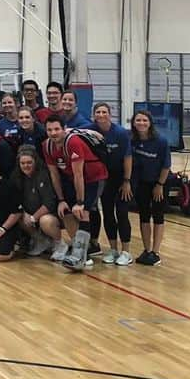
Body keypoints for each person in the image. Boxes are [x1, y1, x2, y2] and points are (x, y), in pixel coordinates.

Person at [43, 115, 107, 270]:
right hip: (72, 178)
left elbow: (79, 174)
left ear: (64, 129)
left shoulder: (73, 142)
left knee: (84, 212)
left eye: (57, 129)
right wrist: (61, 199)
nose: (53, 133)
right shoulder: (46, 146)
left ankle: (81, 257)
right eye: (50, 130)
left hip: (94, 177)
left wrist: (80, 202)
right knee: (67, 211)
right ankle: (80, 249)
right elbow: (54, 175)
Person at [90, 103, 133, 265]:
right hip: (104, 178)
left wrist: (127, 181)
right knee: (107, 213)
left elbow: (128, 157)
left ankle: (126, 251)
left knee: (121, 213)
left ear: (110, 114)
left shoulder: (120, 133)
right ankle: (113, 249)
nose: (101, 115)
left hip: (121, 178)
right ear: (94, 115)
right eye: (98, 112)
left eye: (104, 112)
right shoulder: (90, 129)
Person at [130, 110, 171, 266]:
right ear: (134, 123)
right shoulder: (132, 140)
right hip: (141, 183)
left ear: (150, 123)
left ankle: (156, 251)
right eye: (138, 120)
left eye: (144, 120)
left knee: (158, 216)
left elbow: (166, 166)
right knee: (144, 216)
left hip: (159, 183)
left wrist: (160, 185)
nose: (141, 123)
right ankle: (146, 250)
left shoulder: (160, 141)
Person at [13, 145, 62, 258]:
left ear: (35, 161)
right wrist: (24, 213)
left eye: (29, 162)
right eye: (23, 163)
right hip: (30, 213)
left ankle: (59, 245)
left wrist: (33, 218)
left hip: (50, 214)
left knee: (45, 221)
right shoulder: (16, 177)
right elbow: (14, 200)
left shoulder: (43, 175)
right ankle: (41, 241)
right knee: (17, 215)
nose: (26, 166)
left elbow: (49, 203)